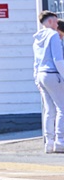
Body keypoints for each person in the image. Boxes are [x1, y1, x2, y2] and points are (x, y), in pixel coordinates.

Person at [35, 10, 64, 153]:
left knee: (49, 110)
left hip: (41, 75)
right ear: (50, 21)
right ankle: (60, 141)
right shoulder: (53, 35)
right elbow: (58, 59)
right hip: (53, 74)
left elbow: (36, 61)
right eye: (56, 21)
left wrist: (36, 78)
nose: (58, 24)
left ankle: (49, 142)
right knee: (62, 108)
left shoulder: (37, 37)